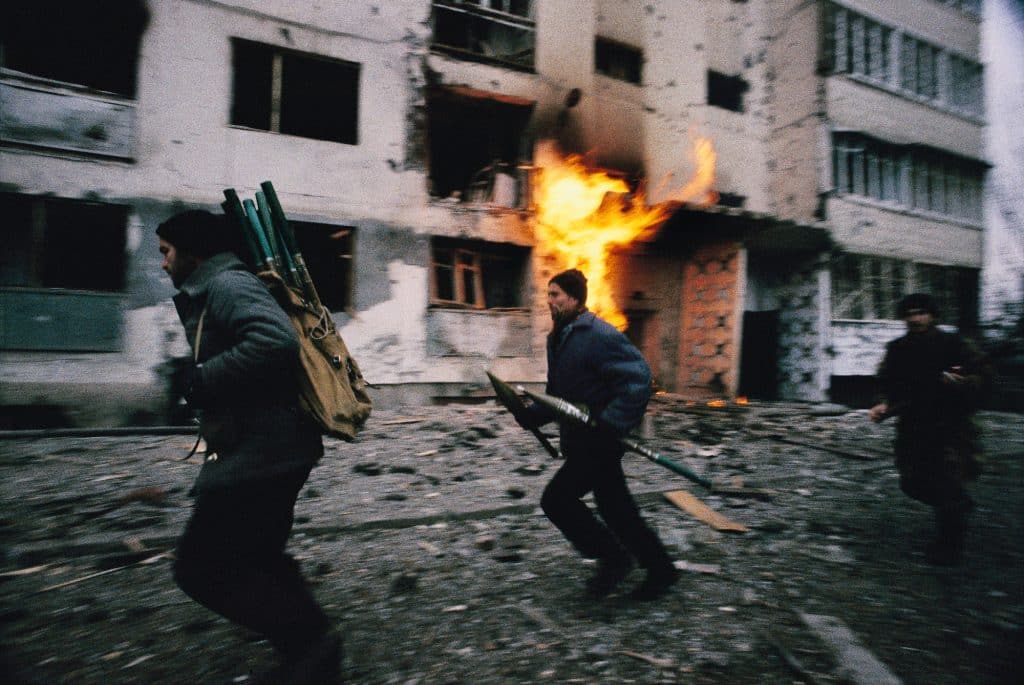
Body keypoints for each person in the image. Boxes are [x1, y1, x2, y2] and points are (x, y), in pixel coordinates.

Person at [156, 209, 341, 684]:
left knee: (200, 569)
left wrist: (202, 378)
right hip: (270, 449)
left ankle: (312, 645)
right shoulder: (220, 285)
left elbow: (275, 340)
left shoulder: (226, 285)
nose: (162, 264)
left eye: (166, 252)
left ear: (192, 252)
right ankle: (311, 649)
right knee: (258, 556)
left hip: (263, 454)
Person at [517, 268, 678, 600]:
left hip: (598, 441)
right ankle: (661, 570)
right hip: (579, 440)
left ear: (575, 299)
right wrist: (532, 415)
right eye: (547, 294)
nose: (549, 301)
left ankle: (614, 560)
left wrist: (612, 423)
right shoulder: (559, 338)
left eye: (555, 295)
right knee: (617, 509)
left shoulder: (599, 334)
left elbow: (638, 379)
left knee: (557, 500)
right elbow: (559, 394)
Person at [868, 293, 989, 566]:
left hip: (951, 427)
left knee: (947, 482)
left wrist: (961, 383)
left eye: (921, 312)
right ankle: (958, 505)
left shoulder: (954, 344)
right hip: (913, 426)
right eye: (909, 313)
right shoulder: (897, 349)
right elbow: (884, 381)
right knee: (912, 483)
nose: (915, 318)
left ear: (932, 315)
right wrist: (880, 403)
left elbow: (983, 377)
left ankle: (949, 548)